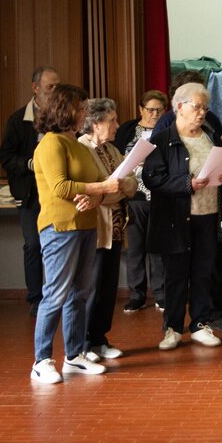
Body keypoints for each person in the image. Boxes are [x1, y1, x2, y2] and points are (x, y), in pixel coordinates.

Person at [29, 84, 119, 383]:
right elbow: (61, 187)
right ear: (64, 110)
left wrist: (95, 195)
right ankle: (41, 360)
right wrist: (100, 189)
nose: (84, 115)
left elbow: (99, 181)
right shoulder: (51, 143)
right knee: (55, 294)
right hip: (59, 228)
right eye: (80, 109)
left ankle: (74, 355)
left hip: (85, 225)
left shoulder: (79, 145)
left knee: (79, 294)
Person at [144, 83, 222, 351]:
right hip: (176, 218)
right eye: (197, 107)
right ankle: (172, 328)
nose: (202, 113)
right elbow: (153, 179)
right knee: (176, 275)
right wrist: (187, 184)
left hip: (208, 214)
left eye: (205, 108)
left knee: (203, 272)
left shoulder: (210, 136)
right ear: (180, 107)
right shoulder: (161, 140)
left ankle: (200, 324)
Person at [78, 98, 138, 361]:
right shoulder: (82, 148)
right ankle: (84, 344)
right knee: (92, 286)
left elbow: (131, 183)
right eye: (111, 120)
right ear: (95, 123)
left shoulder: (112, 150)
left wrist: (115, 189)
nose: (116, 125)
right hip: (95, 228)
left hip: (115, 227)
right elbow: (96, 190)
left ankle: (100, 338)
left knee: (108, 287)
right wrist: (112, 191)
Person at [0, 66, 60, 316]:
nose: (55, 92)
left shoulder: (61, 118)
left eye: (58, 86)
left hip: (57, 192)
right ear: (35, 88)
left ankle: (58, 298)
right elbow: (5, 157)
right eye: (50, 87)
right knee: (33, 245)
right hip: (29, 193)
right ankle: (36, 300)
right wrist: (29, 164)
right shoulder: (17, 120)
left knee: (58, 245)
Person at [114, 89, 169, 313]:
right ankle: (136, 294)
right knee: (135, 249)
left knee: (157, 247)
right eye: (150, 110)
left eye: (159, 110)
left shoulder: (168, 131)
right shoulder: (127, 130)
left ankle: (161, 294)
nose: (154, 114)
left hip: (158, 196)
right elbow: (114, 157)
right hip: (133, 196)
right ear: (140, 110)